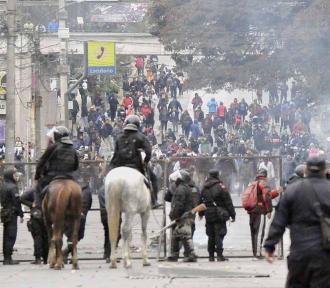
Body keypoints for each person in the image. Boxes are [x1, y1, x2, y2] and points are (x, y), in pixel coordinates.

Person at [264, 156, 330, 287]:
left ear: (306, 169)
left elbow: (279, 221)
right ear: (325, 170)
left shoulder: (293, 191)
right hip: (325, 254)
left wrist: (270, 246)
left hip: (299, 253)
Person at [34, 126, 79, 209]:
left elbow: (41, 162)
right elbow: (76, 166)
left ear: (58, 136)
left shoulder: (53, 147)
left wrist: (37, 177)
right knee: (80, 190)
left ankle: (38, 209)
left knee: (38, 188)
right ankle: (81, 211)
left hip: (53, 176)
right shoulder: (73, 149)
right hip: (70, 176)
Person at [199, 169, 235, 261]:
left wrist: (201, 213)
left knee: (210, 235)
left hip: (208, 213)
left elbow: (200, 201)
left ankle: (211, 256)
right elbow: (228, 201)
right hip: (219, 213)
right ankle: (219, 255)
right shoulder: (221, 186)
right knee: (219, 234)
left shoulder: (204, 187)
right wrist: (232, 214)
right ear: (217, 175)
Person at [248, 169, 281, 258]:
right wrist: (269, 210)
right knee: (259, 232)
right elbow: (266, 196)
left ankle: (255, 252)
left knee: (254, 232)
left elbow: (266, 195)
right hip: (260, 211)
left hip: (252, 210)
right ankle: (258, 254)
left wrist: (276, 192)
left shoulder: (253, 183)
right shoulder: (263, 183)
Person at [167, 170, 197, 262]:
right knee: (176, 235)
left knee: (185, 235)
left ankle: (191, 254)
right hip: (186, 215)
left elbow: (179, 204)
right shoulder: (185, 187)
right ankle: (174, 255)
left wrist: (173, 215)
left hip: (184, 216)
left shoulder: (181, 189)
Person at [0, 169, 23, 265]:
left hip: (4, 212)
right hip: (12, 213)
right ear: (10, 176)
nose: (16, 177)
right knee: (11, 235)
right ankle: (8, 258)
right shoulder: (13, 187)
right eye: (14, 175)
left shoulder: (2, 186)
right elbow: (17, 202)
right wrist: (21, 214)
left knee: (6, 235)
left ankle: (6, 257)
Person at [20, 188, 48, 264]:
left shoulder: (33, 190)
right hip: (46, 215)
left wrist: (31, 204)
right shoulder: (49, 188)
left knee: (37, 236)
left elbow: (21, 198)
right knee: (46, 236)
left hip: (36, 215)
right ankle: (46, 258)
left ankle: (38, 258)